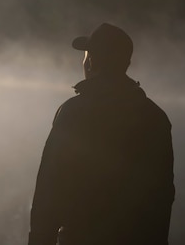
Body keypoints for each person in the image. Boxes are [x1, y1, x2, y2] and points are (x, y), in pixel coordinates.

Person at [28, 23, 175, 245]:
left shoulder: (74, 112)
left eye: (87, 55)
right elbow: (163, 196)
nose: (84, 61)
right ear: (126, 63)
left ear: (92, 62)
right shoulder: (155, 117)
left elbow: (49, 189)